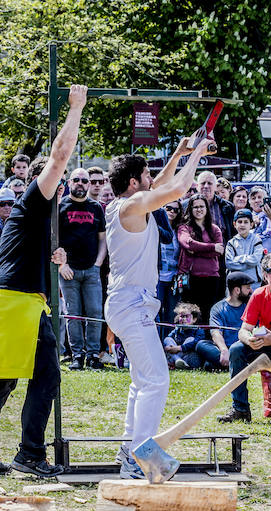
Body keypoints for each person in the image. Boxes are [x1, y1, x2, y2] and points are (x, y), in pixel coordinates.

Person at [0, 84, 88, 479]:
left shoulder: (40, 216)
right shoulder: (35, 197)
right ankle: (6, 455)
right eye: (60, 175)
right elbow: (58, 155)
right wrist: (76, 108)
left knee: (36, 375)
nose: (65, 178)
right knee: (5, 379)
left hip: (25, 300)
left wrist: (52, 259)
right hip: (11, 300)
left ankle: (12, 454)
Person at [105, 136, 214, 478]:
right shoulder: (132, 206)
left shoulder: (124, 204)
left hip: (128, 303)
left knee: (142, 381)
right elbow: (178, 189)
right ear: (134, 183)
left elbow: (163, 183)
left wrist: (180, 154)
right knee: (156, 380)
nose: (152, 178)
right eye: (146, 174)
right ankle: (141, 460)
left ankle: (130, 451)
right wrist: (197, 154)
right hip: (132, 303)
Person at [218, 250, 271, 424]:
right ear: (264, 274)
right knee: (237, 348)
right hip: (265, 346)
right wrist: (250, 340)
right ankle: (240, 408)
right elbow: (243, 330)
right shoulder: (259, 294)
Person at [58, 167, 107, 370]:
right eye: (76, 179)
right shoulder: (61, 207)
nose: (81, 183)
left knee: (95, 313)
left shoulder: (96, 208)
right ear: (69, 182)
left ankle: (93, 355)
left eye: (84, 181)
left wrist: (98, 263)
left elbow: (103, 239)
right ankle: (77, 355)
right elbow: (53, 239)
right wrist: (62, 265)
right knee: (73, 314)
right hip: (68, 270)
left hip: (91, 270)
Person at [177, 194, 224, 322]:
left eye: (201, 206)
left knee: (208, 313)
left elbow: (218, 252)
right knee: (189, 314)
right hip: (190, 278)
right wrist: (212, 247)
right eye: (195, 207)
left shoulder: (214, 229)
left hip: (211, 278)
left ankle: (207, 340)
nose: (199, 209)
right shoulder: (184, 227)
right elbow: (188, 243)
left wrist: (196, 250)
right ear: (190, 209)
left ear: (207, 209)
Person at [196, 271, 254, 371]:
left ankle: (226, 364)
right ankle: (235, 364)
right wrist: (224, 350)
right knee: (201, 345)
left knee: (209, 365)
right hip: (225, 348)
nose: (251, 291)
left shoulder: (251, 305)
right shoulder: (218, 308)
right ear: (237, 290)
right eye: (248, 288)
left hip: (244, 347)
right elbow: (215, 332)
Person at [225, 208, 263, 291]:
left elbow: (256, 260)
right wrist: (248, 264)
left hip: (254, 283)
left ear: (251, 224)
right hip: (235, 284)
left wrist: (239, 258)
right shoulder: (231, 243)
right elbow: (229, 263)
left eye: (246, 222)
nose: (242, 225)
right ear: (234, 224)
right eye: (239, 222)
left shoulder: (256, 240)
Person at [158, 200, 182, 325]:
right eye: (169, 208)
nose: (172, 211)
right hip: (157, 276)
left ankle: (168, 342)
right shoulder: (156, 226)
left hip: (174, 277)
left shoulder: (179, 230)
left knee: (171, 313)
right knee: (155, 311)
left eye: (176, 210)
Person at [163, 302, 204, 369]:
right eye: (181, 316)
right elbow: (168, 340)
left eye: (186, 316)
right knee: (167, 339)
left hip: (189, 357)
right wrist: (169, 347)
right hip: (177, 356)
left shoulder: (198, 330)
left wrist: (180, 348)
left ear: (194, 319)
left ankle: (177, 362)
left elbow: (196, 342)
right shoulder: (177, 330)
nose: (183, 319)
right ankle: (177, 361)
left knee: (190, 339)